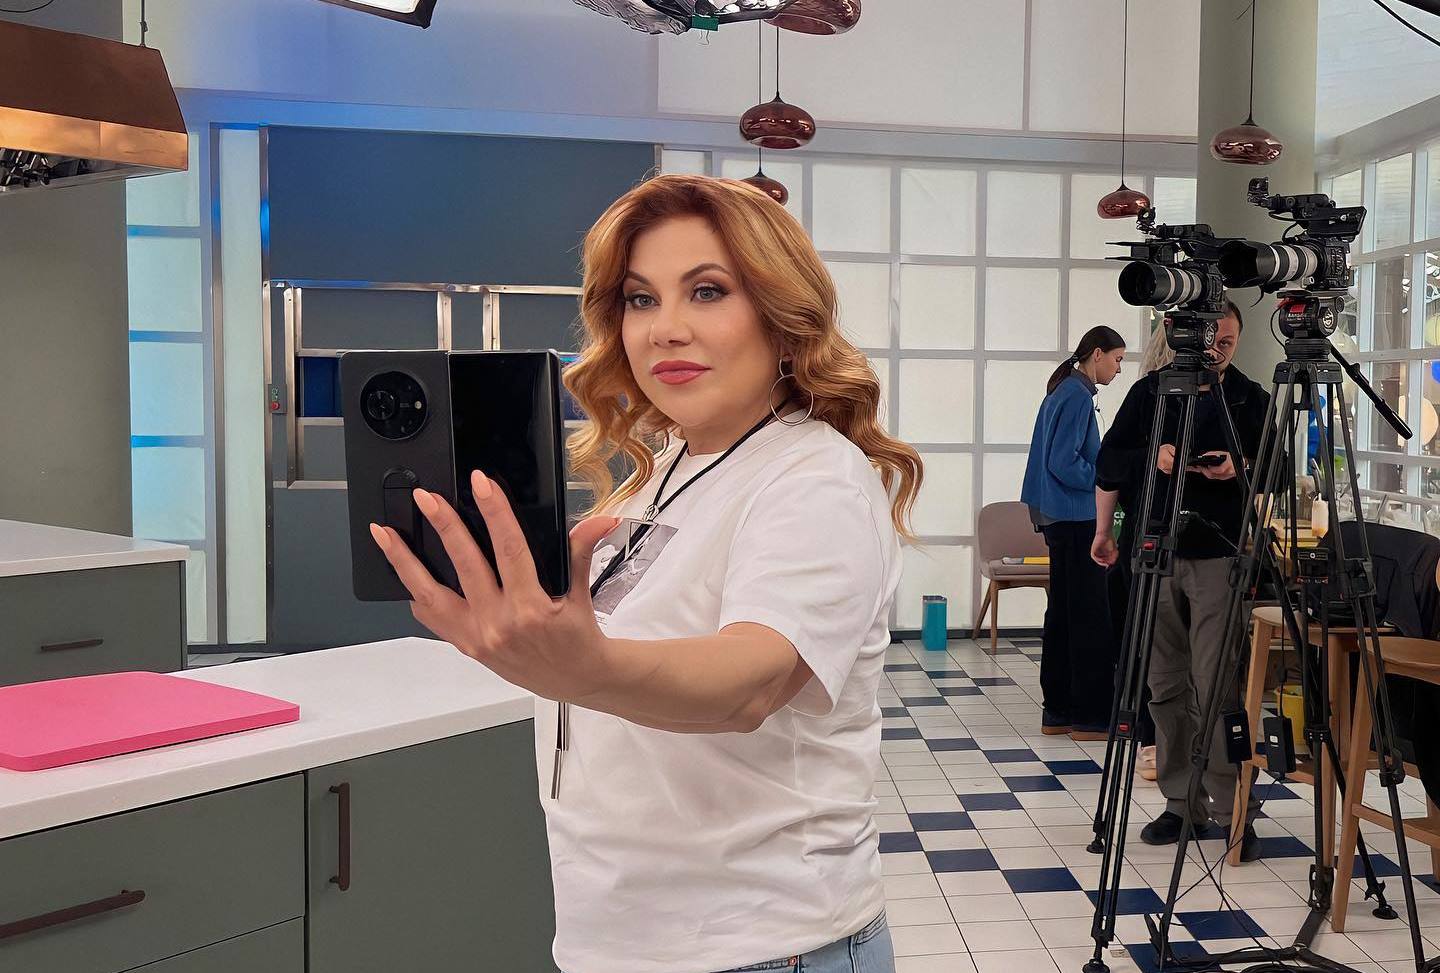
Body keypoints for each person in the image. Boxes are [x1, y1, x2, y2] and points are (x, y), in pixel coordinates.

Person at [368, 173, 923, 973]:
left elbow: (749, 680)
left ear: (783, 318)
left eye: (707, 291)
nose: (666, 329)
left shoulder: (814, 479)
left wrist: (585, 667)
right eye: (640, 299)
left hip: (764, 946)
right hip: (621, 939)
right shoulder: (662, 470)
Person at [1091, 301, 1269, 861]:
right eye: (1211, 338)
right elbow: (1109, 462)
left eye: (1228, 341)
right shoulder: (1151, 392)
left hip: (1219, 555)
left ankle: (1233, 806)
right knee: (1165, 684)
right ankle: (1180, 802)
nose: (1217, 349)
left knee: (1217, 686)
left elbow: (1282, 469)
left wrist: (1239, 466)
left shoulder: (1249, 398)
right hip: (1155, 551)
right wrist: (1156, 456)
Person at [1021, 326, 1127, 740]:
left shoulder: (1063, 390)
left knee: (1063, 614)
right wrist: (1105, 480)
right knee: (1090, 616)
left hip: (1056, 516)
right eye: (1117, 360)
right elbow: (1063, 462)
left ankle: (1059, 710)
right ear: (1097, 354)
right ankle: (1090, 716)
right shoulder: (1078, 395)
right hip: (1076, 516)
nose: (1119, 369)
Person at [1104, 321, 1172, 779]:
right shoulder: (1148, 396)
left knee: (1150, 637)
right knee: (1151, 637)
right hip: (1148, 530)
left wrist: (1102, 529)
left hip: (1161, 532)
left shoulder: (1235, 395)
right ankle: (1151, 736)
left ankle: (1157, 738)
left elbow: (1105, 472)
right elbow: (1107, 467)